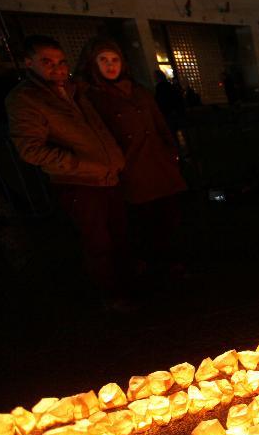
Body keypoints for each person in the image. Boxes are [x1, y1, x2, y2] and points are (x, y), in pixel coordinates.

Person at [5, 35, 128, 308]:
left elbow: (96, 130)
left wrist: (113, 159)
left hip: (107, 177)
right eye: (47, 62)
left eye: (61, 61)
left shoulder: (74, 91)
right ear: (28, 62)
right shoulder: (26, 99)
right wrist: (78, 164)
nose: (57, 68)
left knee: (118, 234)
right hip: (79, 183)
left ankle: (126, 284)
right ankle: (111, 295)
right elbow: (30, 148)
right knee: (98, 242)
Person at [75, 37, 188, 277]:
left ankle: (171, 259)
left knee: (169, 215)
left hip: (158, 164)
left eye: (114, 59)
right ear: (92, 63)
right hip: (130, 168)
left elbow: (160, 124)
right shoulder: (91, 97)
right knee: (143, 220)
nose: (110, 65)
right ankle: (150, 262)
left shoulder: (139, 92)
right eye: (103, 60)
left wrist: (171, 151)